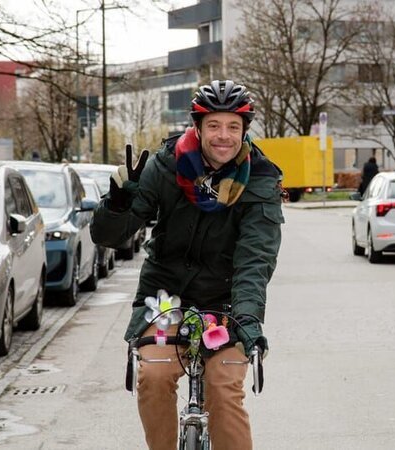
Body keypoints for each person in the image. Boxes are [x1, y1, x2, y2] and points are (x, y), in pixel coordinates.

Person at [90, 80, 283, 450]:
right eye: (214, 125)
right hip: (165, 300)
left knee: (224, 388)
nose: (223, 136)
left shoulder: (261, 180)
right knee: (155, 375)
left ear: (244, 131)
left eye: (232, 127)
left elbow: (254, 260)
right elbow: (110, 237)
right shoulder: (166, 166)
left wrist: (248, 318)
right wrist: (116, 205)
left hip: (227, 302)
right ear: (198, 126)